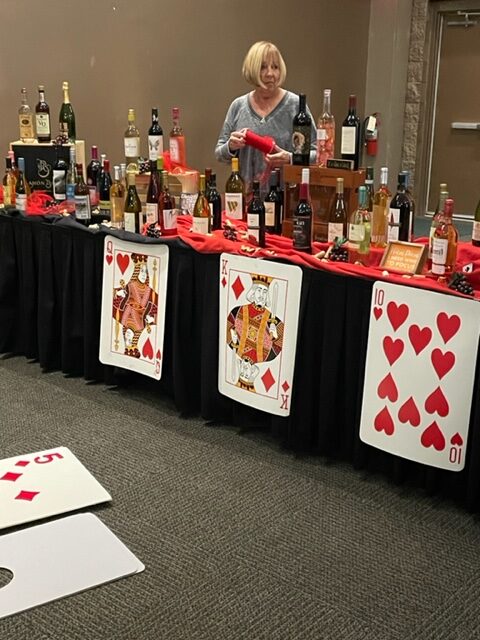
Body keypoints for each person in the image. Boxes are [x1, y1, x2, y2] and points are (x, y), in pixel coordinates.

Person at [215, 41, 317, 194]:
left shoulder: (295, 106)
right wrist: (231, 146)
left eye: (275, 67)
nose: (270, 73)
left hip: (286, 198)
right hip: (247, 198)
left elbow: (318, 155)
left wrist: (290, 158)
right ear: (252, 69)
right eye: (263, 67)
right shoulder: (238, 106)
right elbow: (220, 154)